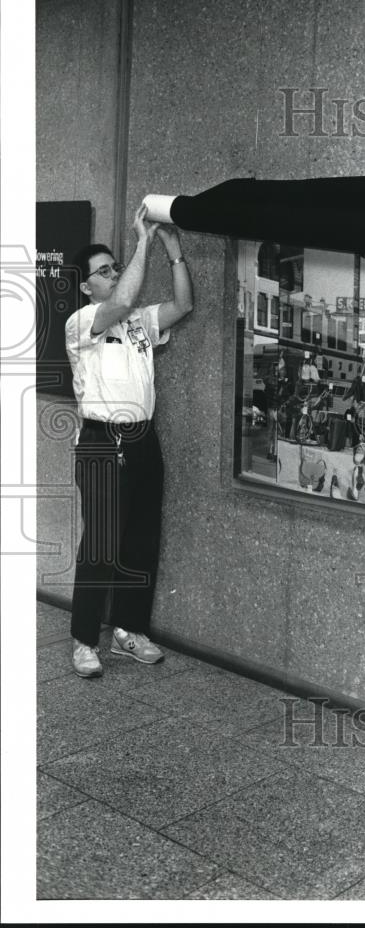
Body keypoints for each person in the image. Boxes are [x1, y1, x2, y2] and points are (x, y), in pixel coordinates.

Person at [65, 203, 194, 678]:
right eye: (104, 271)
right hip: (101, 442)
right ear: (87, 286)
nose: (113, 274)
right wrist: (142, 240)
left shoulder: (139, 322)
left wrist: (173, 252)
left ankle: (128, 630)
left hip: (143, 440)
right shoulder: (82, 322)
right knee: (100, 544)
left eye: (113, 267)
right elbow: (118, 303)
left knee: (141, 538)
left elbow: (183, 307)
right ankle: (83, 640)